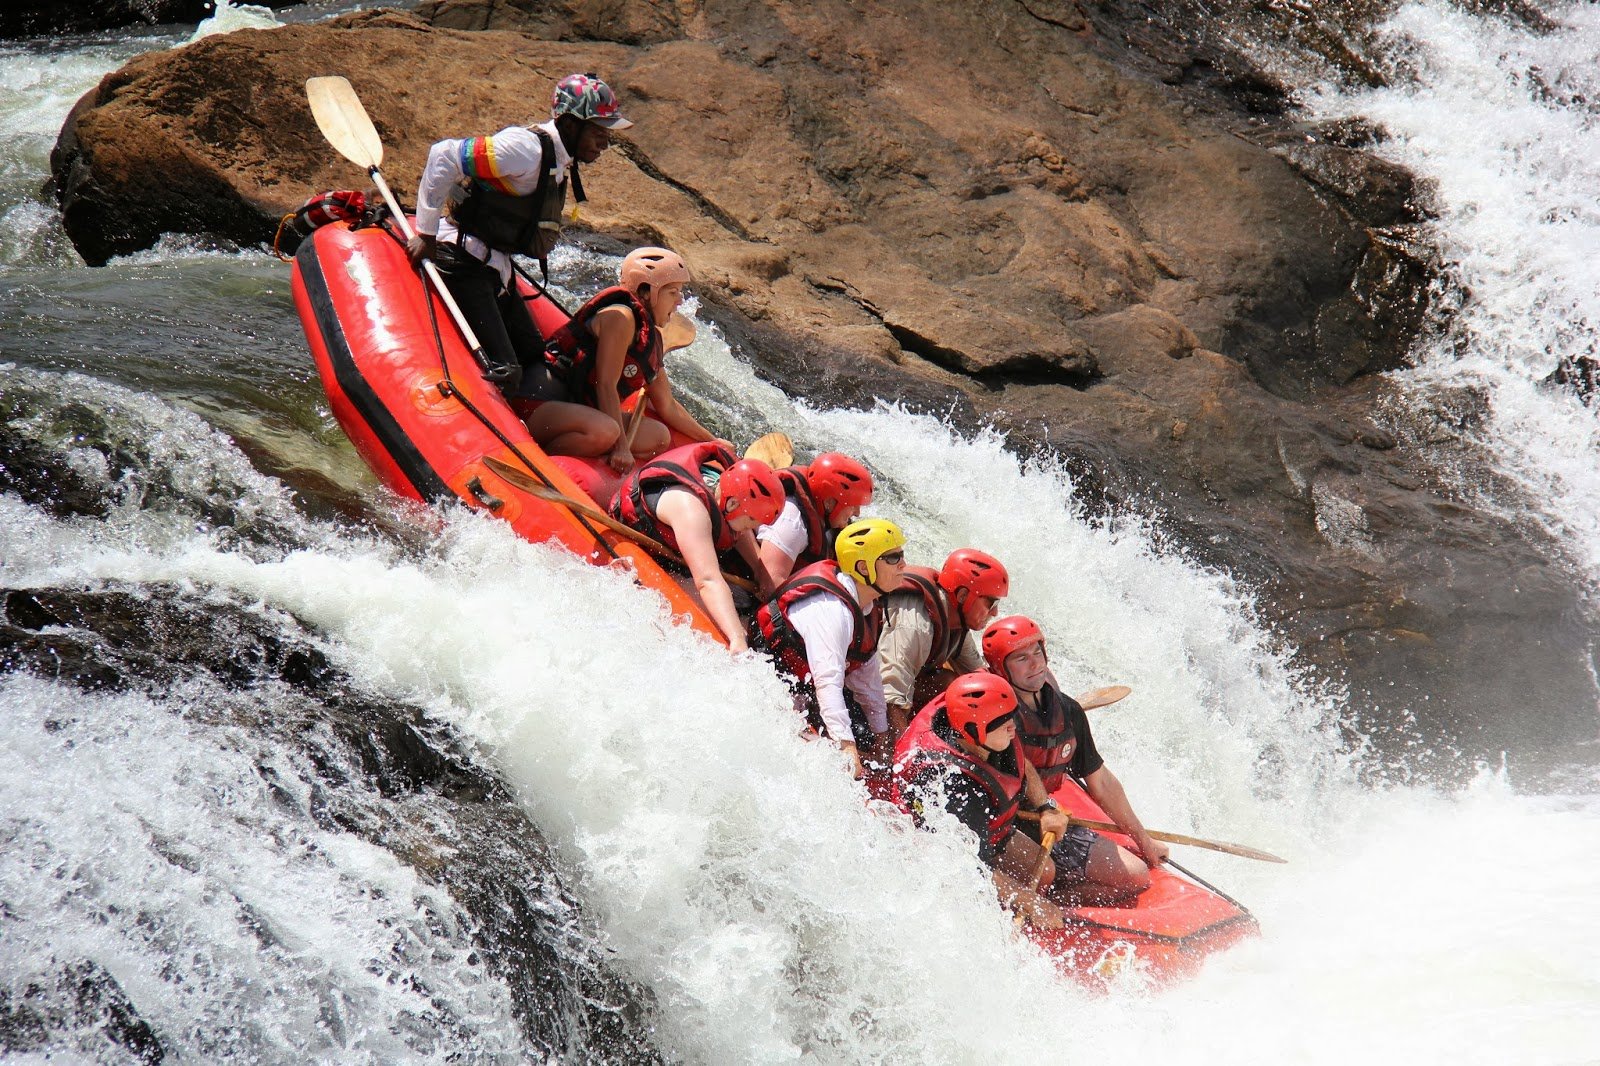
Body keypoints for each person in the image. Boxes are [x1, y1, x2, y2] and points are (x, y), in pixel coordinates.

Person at [408, 72, 631, 392]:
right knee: (507, 371)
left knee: (534, 355)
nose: (605, 143)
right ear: (570, 124)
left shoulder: (560, 156)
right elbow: (443, 155)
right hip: (460, 259)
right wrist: (425, 235)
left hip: (493, 265)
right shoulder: (527, 149)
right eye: (598, 131)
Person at [982, 615, 1168, 902]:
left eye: (1037, 652)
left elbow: (1102, 782)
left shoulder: (1068, 710)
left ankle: (1059, 897)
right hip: (1005, 823)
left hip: (1050, 820)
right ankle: (1030, 893)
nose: (1035, 664)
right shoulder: (993, 716)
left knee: (1135, 874)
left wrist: (1144, 840)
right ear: (1000, 669)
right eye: (1020, 658)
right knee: (1043, 872)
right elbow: (1016, 767)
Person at [891, 672, 1073, 928]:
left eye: (1011, 715)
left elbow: (1019, 757)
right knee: (1013, 889)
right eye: (1004, 722)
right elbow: (967, 866)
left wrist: (1046, 807)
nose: (1014, 726)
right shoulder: (955, 788)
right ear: (972, 730)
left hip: (979, 833)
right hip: (940, 852)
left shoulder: (986, 728)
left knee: (1044, 872)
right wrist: (1029, 901)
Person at [535, 247, 721, 470]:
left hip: (580, 410)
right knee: (607, 431)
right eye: (673, 293)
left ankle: (591, 455)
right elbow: (605, 385)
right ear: (646, 291)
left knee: (658, 436)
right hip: (542, 402)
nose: (680, 302)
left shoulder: (649, 338)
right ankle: (541, 459)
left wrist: (714, 443)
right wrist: (621, 447)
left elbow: (667, 405)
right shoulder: (620, 317)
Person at [752, 518, 909, 778]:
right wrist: (847, 748)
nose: (903, 564)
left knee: (864, 732)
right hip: (769, 677)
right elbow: (828, 682)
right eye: (892, 558)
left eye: (901, 555)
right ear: (863, 567)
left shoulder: (868, 606)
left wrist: (882, 738)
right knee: (839, 745)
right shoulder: (832, 611)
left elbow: (868, 680)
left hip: (804, 685)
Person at [611, 441, 783, 650]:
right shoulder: (692, 512)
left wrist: (759, 569)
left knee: (744, 601)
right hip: (636, 535)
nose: (752, 529)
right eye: (752, 521)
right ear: (733, 505)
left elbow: (738, 529)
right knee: (733, 616)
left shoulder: (727, 494)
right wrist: (737, 638)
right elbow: (707, 581)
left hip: (681, 539)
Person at [877, 549, 1009, 738]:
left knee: (958, 685)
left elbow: (979, 676)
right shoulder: (916, 626)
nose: (995, 613)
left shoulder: (956, 620)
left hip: (890, 687)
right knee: (947, 685)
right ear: (963, 595)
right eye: (991, 604)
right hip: (859, 689)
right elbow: (890, 697)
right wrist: (903, 756)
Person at [756, 452, 875, 585]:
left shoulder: (828, 519)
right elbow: (770, 583)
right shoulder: (791, 522)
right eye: (853, 506)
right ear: (830, 502)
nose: (857, 513)